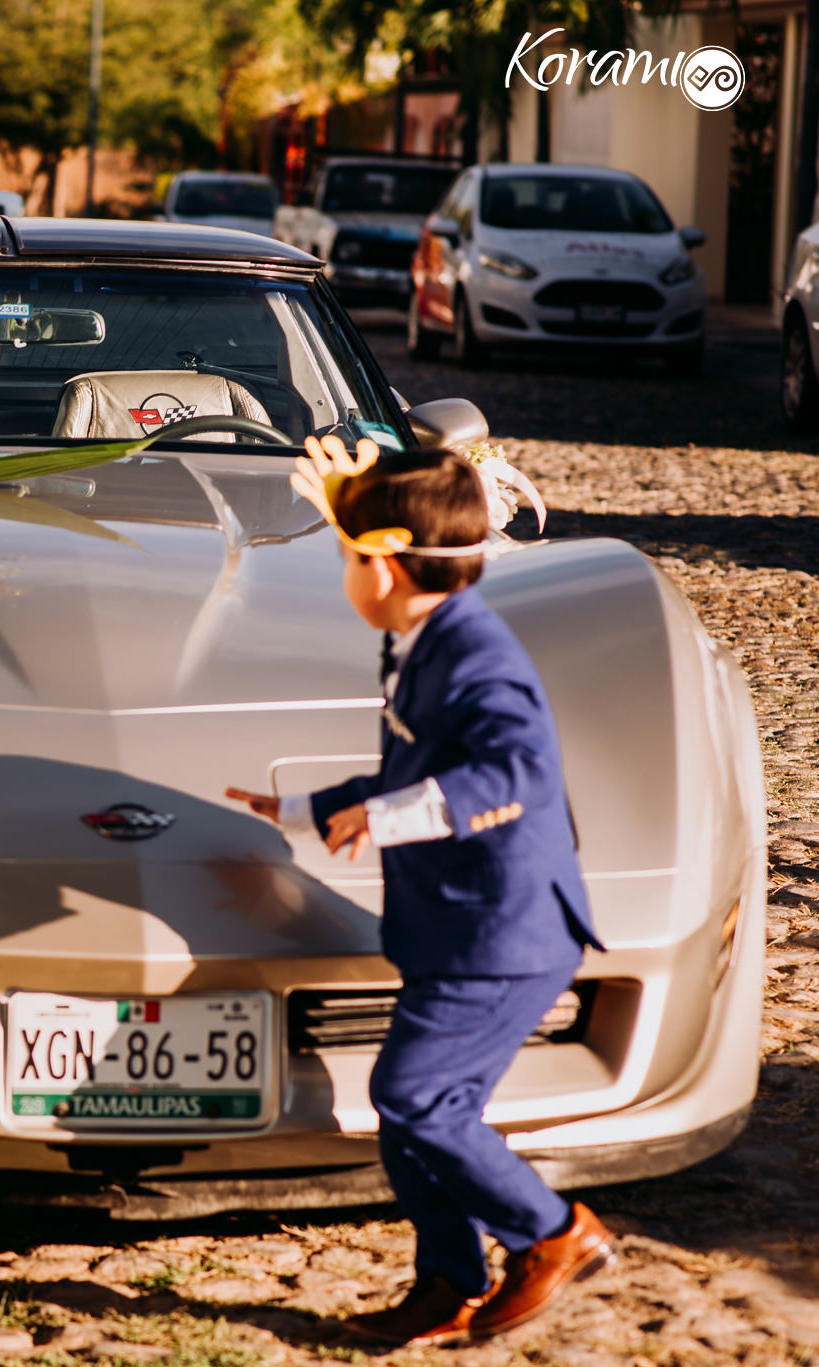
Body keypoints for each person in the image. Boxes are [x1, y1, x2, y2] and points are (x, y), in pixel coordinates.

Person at [224, 441, 611, 1348]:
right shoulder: (425, 634)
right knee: (419, 1118)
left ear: (386, 565)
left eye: (346, 558)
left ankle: (556, 1234)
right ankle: (447, 1278)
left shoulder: (478, 653)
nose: (345, 578)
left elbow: (511, 771)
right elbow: (410, 759)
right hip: (457, 926)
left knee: (414, 1094)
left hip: (503, 930)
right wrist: (305, 808)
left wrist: (387, 817)